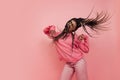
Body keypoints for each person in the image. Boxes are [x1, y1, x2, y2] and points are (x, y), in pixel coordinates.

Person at [43, 11, 110, 80]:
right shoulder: (57, 35)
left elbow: (86, 50)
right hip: (68, 64)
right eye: (70, 22)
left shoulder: (75, 37)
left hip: (79, 62)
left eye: (72, 26)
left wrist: (85, 38)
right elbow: (45, 31)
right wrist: (52, 29)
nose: (70, 25)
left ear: (74, 29)